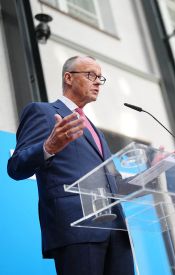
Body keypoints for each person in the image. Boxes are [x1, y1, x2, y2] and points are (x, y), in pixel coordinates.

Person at [7, 56, 134, 275]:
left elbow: (116, 182)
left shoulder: (97, 132)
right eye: (90, 75)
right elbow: (16, 166)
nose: (97, 82)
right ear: (68, 77)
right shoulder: (43, 112)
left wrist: (154, 174)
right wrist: (49, 146)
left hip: (117, 232)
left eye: (99, 78)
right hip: (77, 229)